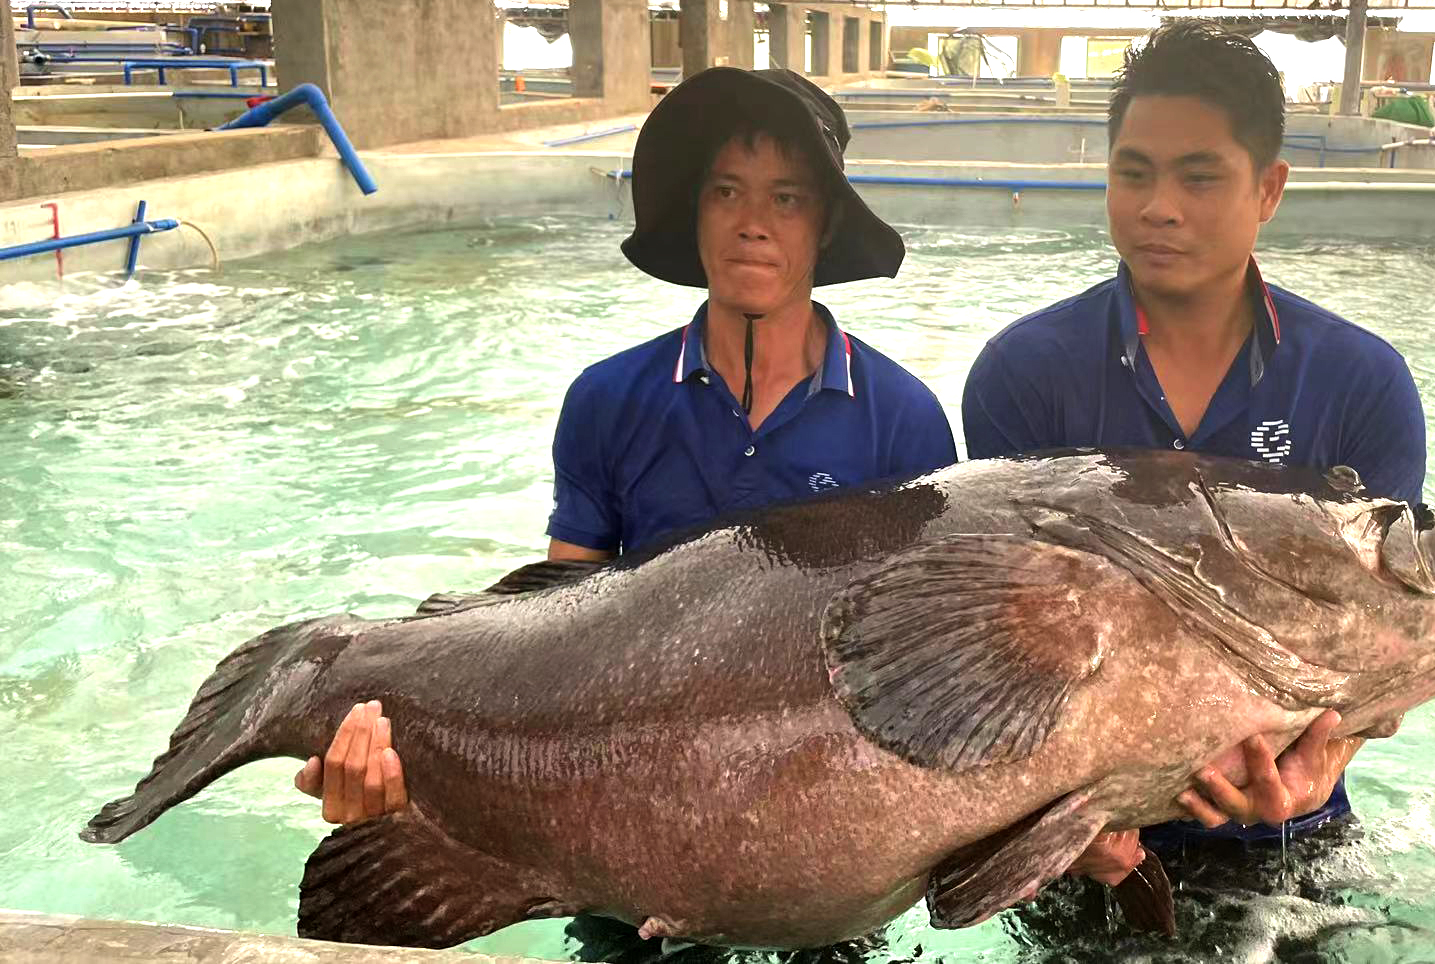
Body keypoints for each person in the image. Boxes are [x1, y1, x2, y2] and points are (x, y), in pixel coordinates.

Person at [292, 67, 957, 834]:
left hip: (818, 820)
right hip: (621, 806)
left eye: (787, 197)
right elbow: (555, 633)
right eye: (725, 191)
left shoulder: (905, 420)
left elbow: (916, 664)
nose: (753, 222)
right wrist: (409, 769)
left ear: (826, 224)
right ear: (696, 212)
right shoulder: (607, 400)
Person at [962, 21, 1427, 889]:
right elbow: (1008, 635)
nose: (1158, 206)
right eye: (1133, 172)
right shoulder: (1023, 374)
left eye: (1199, 176)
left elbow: (1389, 639)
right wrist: (1062, 816)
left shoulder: (1361, 383)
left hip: (1291, 828)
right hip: (1091, 836)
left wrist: (1328, 758)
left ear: (1270, 189)